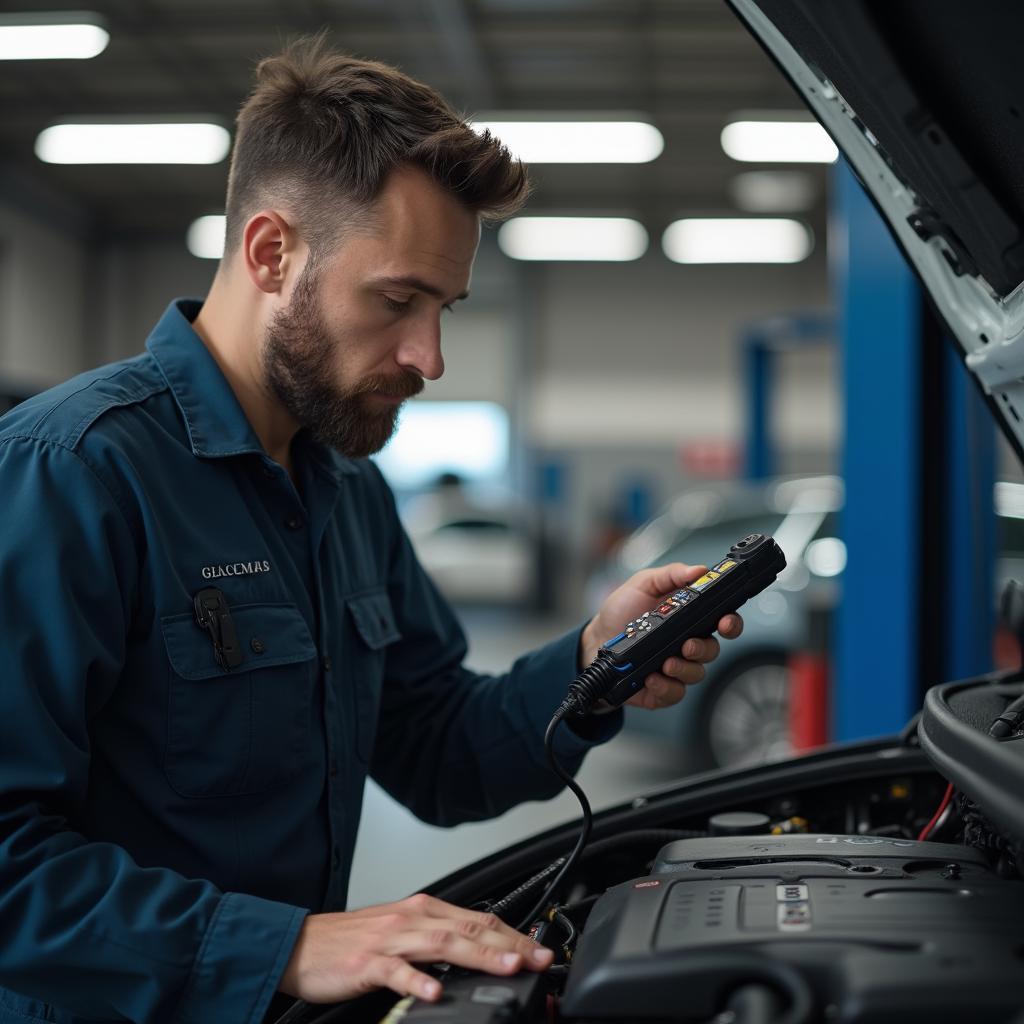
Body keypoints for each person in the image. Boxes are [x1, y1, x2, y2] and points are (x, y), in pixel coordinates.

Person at [0, 37, 743, 1024]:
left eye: (444, 308)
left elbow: (434, 744)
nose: (429, 356)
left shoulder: (345, 487)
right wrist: (289, 943)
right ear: (272, 253)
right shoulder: (72, 473)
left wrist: (593, 661)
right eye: (397, 300)